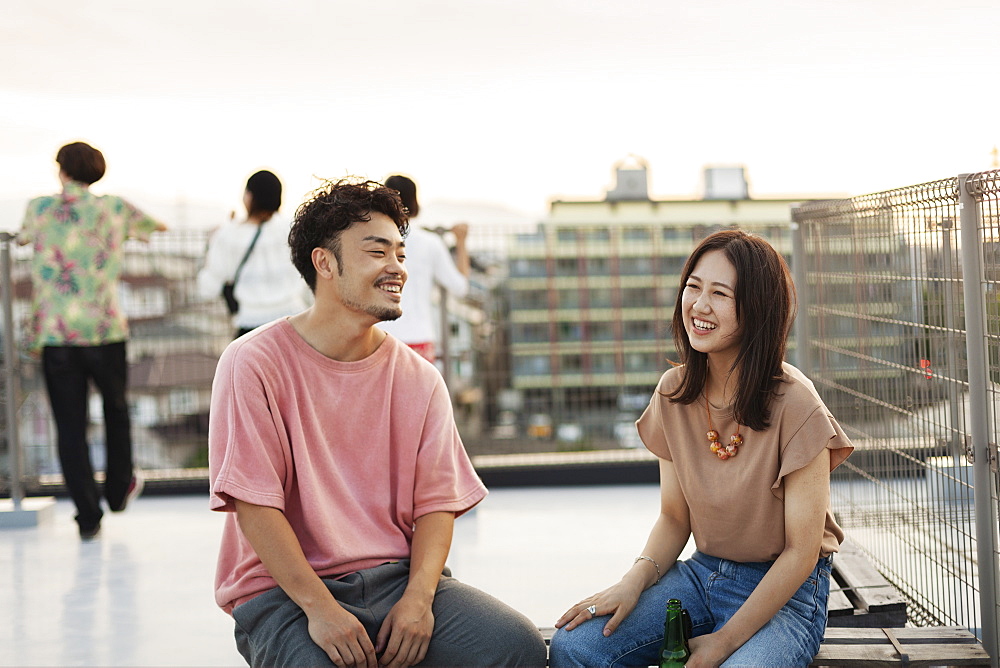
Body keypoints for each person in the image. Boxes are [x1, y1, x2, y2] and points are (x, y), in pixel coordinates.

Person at [208, 178, 546, 668]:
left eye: (401, 255)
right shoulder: (252, 362)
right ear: (324, 263)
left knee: (517, 647)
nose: (397, 268)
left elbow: (436, 505)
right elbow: (254, 505)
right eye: (377, 252)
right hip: (284, 593)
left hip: (398, 578)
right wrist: (321, 609)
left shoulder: (419, 378)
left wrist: (419, 599)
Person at [549, 230, 854, 668]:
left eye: (720, 293)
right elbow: (674, 518)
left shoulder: (797, 404)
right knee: (576, 648)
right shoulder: (674, 392)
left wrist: (724, 641)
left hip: (786, 596)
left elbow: (801, 553)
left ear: (757, 309)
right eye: (693, 287)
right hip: (701, 575)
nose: (699, 305)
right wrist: (631, 582)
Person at [18, 141, 167, 540]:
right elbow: (158, 228)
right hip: (105, 330)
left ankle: (87, 517)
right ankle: (118, 491)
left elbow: (22, 240)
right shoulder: (114, 208)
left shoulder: (38, 208)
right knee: (116, 410)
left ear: (62, 170)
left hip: (57, 334)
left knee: (70, 426)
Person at [197, 169, 309, 338]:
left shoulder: (228, 235)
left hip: (251, 328)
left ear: (249, 197)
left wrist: (209, 245)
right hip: (295, 322)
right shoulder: (293, 229)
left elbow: (208, 288)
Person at [377, 174, 469, 364]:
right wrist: (460, 242)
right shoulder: (430, 243)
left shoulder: (371, 242)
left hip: (378, 339)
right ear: (415, 202)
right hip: (419, 339)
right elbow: (460, 287)